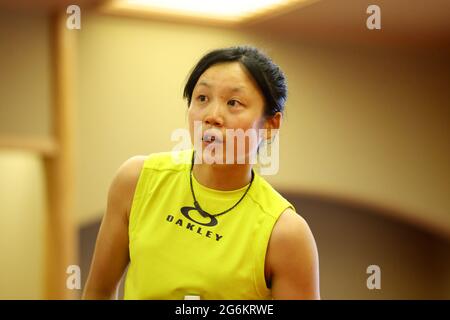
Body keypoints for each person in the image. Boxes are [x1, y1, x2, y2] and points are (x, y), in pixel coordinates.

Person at [82, 45, 320, 300]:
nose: (212, 116)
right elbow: (97, 292)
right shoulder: (137, 180)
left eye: (233, 103)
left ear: (271, 124)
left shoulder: (285, 232)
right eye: (202, 98)